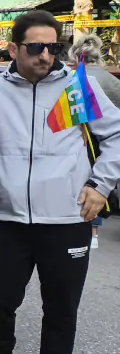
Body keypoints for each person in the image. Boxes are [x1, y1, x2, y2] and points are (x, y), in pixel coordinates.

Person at [0, 11, 120, 354]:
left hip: (67, 217)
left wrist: (100, 184)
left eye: (52, 47)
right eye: (35, 47)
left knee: (61, 305)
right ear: (13, 48)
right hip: (9, 216)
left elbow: (116, 135)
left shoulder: (77, 84)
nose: (44, 55)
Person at [69, 34, 120, 250]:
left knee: (88, 184)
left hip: (87, 141)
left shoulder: (77, 80)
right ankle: (95, 227)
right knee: (100, 185)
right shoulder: (111, 79)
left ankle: (90, 227)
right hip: (109, 143)